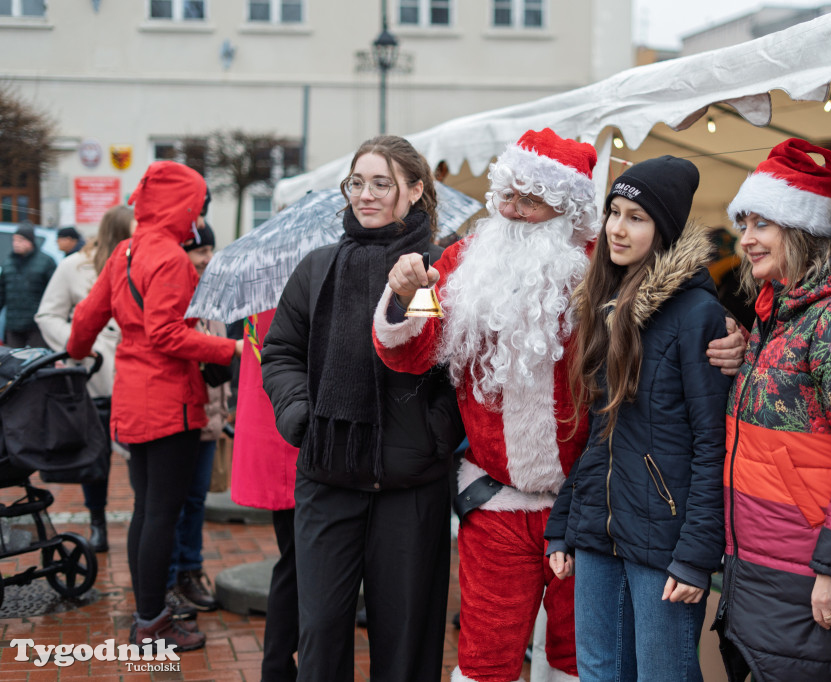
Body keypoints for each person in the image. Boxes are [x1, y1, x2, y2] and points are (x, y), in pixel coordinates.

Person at [375, 129, 746, 682]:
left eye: (532, 199)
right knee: (486, 656)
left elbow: (671, 291)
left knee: (581, 658)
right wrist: (408, 296)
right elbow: (415, 353)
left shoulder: (602, 266)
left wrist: (729, 332)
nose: (516, 211)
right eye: (509, 196)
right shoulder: (464, 262)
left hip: (587, 508)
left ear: (567, 208)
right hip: (496, 501)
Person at [261, 135, 463, 682]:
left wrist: (434, 434)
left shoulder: (440, 271)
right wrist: (298, 414)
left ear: (415, 190)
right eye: (357, 183)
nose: (365, 195)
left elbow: (456, 364)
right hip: (328, 472)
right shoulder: (317, 268)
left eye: (381, 183)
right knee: (322, 631)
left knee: (405, 640)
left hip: (410, 483)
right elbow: (280, 352)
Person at [715, 138, 831, 682]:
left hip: (815, 575)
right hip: (768, 568)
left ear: (799, 230)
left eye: (761, 225)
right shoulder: (783, 310)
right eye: (744, 223)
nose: (745, 239)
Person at [544, 156, 733, 682]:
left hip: (665, 541)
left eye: (637, 217)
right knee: (599, 673)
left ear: (664, 229)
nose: (617, 229)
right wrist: (565, 526)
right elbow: (602, 434)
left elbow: (711, 443)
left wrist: (697, 554)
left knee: (663, 675)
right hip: (601, 531)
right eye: (614, 212)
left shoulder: (698, 315)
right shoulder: (607, 305)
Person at [67, 160, 243, 652]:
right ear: (182, 205)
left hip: (130, 397)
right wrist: (232, 350)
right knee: (160, 514)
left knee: (147, 512)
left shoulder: (124, 249)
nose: (198, 216)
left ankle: (147, 614)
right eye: (197, 205)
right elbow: (169, 334)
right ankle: (151, 622)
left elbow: (86, 319)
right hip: (168, 402)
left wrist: (81, 351)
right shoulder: (169, 257)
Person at [35, 204, 134, 552]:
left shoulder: (143, 265)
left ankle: (142, 523)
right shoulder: (73, 267)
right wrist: (77, 345)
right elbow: (48, 315)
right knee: (96, 457)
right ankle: (98, 523)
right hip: (91, 378)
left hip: (134, 377)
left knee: (139, 456)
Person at [233, 308, 300, 682]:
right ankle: (277, 665)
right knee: (297, 563)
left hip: (267, 437)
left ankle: (278, 663)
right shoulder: (290, 298)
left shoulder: (259, 299)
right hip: (288, 443)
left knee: (292, 558)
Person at [164, 222, 227, 617]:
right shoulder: (173, 293)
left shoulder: (214, 296)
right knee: (170, 505)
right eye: (199, 251)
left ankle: (190, 570)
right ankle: (168, 579)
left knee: (195, 500)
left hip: (209, 417)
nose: (205, 259)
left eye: (209, 251)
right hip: (178, 416)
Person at [1, 222, 56, 348]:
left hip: (37, 324)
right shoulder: (8, 263)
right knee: (13, 362)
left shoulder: (46, 262)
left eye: (20, 240)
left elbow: (54, 294)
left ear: (30, 241)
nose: (16, 243)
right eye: (14, 240)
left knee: (39, 361)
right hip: (13, 325)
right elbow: (1, 293)